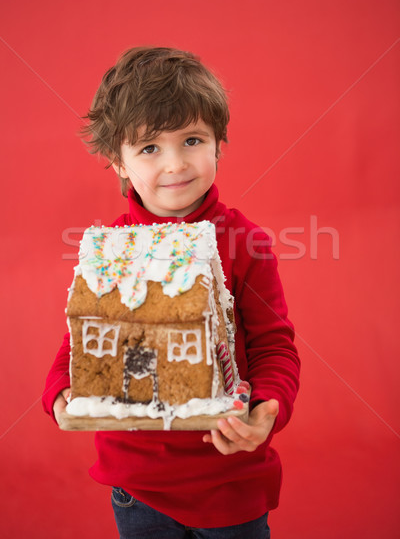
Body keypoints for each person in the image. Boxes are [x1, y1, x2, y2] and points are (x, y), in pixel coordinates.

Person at [43, 47, 300, 539]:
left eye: (192, 139)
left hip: (229, 479)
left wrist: (267, 408)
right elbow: (82, 338)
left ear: (219, 144)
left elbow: (274, 346)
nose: (176, 164)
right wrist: (58, 393)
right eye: (149, 148)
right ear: (117, 161)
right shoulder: (109, 248)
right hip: (136, 487)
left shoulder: (247, 243)